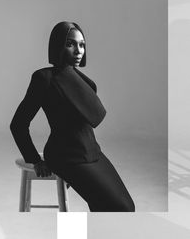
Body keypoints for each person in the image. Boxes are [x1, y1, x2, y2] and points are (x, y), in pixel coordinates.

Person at [10, 21, 135, 212]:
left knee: (125, 207)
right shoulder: (44, 79)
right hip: (65, 156)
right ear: (58, 45)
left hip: (93, 153)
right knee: (120, 207)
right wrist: (34, 159)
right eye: (71, 44)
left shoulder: (86, 82)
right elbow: (18, 124)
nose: (78, 50)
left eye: (82, 45)